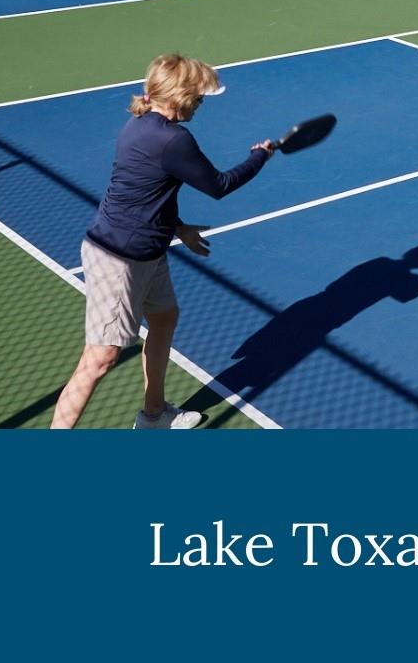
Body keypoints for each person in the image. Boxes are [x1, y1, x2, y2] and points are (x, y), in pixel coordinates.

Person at [51, 54, 277, 430]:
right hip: (118, 258)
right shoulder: (173, 140)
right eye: (198, 96)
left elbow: (150, 194)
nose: (201, 103)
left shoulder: (140, 124)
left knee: (164, 318)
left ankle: (154, 416)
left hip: (146, 250)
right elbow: (218, 186)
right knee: (100, 359)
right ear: (178, 96)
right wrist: (259, 157)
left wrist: (180, 228)